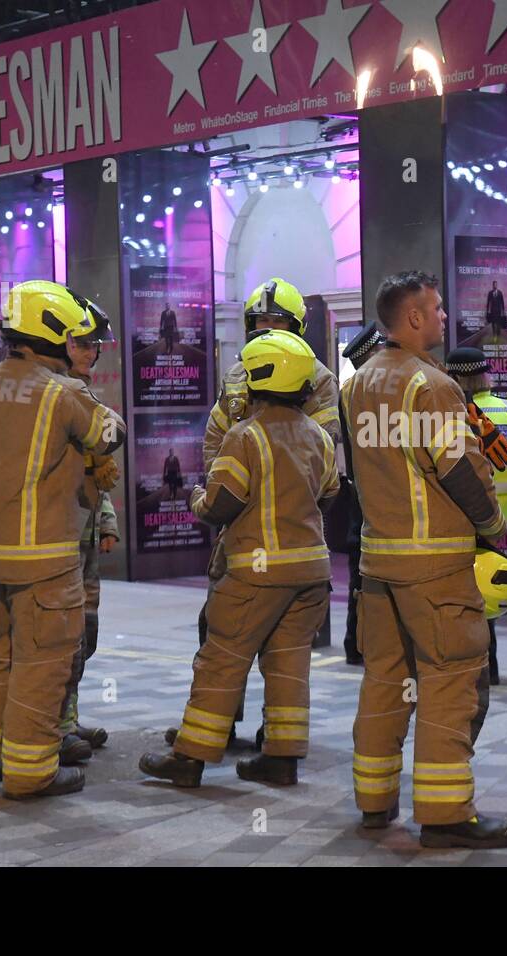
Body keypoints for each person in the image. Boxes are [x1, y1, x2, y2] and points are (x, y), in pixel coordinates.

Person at [345, 270, 507, 849]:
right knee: (449, 681)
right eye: (438, 310)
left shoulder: (360, 383)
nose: (445, 318)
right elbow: (460, 468)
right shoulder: (434, 386)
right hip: (435, 566)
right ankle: (445, 816)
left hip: (378, 565)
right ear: (413, 318)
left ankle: (374, 800)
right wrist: (494, 527)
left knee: (385, 681)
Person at [0, 280, 124, 799]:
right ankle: (30, 771)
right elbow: (111, 435)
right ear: (52, 336)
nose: (77, 348)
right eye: (72, 338)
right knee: (43, 664)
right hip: (47, 561)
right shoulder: (61, 393)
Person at [139, 330, 339, 788]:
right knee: (288, 665)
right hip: (310, 573)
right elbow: (327, 496)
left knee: (222, 660)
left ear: (257, 380)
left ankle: (190, 758)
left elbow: (221, 504)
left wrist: (195, 499)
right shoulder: (319, 438)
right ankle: (282, 758)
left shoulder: (244, 437)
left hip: (254, 573)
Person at [190, 278, 341, 742]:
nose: (266, 330)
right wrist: (227, 480)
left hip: (279, 524)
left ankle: (230, 739)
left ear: (296, 326)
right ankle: (233, 726)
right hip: (239, 517)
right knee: (221, 630)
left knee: (250, 643)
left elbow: (323, 454)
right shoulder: (238, 373)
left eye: (276, 322)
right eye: (259, 323)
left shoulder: (318, 379)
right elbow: (216, 438)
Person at [445, 346, 507, 684]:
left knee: (466, 591)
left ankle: (474, 667)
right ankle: (491, 666)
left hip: (462, 512)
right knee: (491, 586)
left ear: (455, 377)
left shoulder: (453, 412)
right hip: (504, 513)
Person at [57, 329, 121, 762]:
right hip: (59, 539)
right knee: (60, 638)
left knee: (85, 635)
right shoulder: (57, 396)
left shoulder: (81, 395)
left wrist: (108, 521)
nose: (91, 353)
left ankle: (69, 717)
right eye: (82, 344)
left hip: (86, 536)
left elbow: (98, 472)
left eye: (94, 346)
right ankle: (53, 725)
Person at [338, 321, 386, 665]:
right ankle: (364, 640)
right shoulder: (378, 387)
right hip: (378, 491)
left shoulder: (350, 389)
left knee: (359, 567)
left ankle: (356, 640)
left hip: (359, 490)